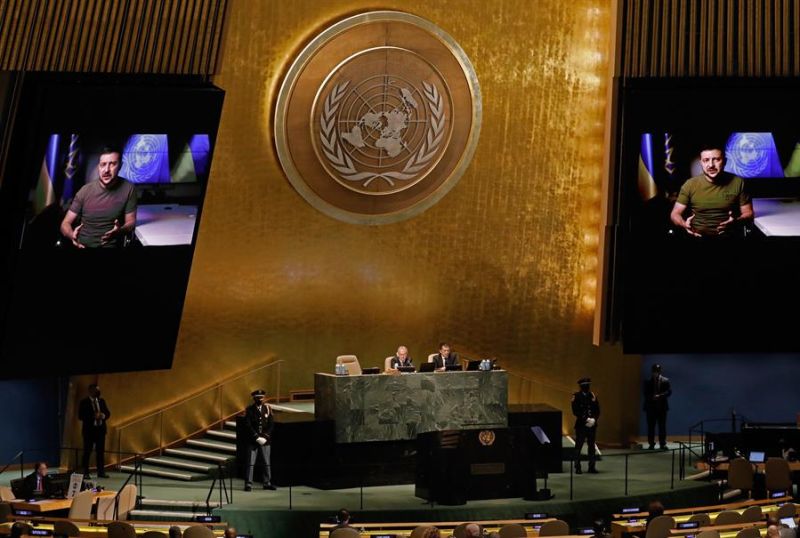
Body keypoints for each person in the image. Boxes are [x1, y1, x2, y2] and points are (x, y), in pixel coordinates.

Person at [670, 143, 754, 239]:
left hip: (729, 237)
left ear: (725, 161)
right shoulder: (690, 184)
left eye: (717, 159)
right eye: (706, 160)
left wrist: (736, 222)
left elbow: (749, 213)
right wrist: (684, 224)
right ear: (701, 162)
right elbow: (675, 214)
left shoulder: (738, 182)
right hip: (697, 237)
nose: (711, 165)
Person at [60, 146, 138, 248]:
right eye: (103, 164)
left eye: (113, 164)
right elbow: (65, 223)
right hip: (82, 246)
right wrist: (72, 236)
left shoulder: (129, 188)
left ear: (120, 166)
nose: (106, 170)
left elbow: (131, 222)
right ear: (98, 167)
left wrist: (120, 231)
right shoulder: (85, 190)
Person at [244, 389, 276, 491]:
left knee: (266, 462)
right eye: (258, 398)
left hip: (265, 440)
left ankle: (267, 482)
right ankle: (248, 484)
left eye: (262, 398)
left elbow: (271, 424)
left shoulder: (267, 408)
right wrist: (256, 437)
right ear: (254, 399)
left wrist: (265, 437)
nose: (260, 400)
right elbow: (248, 425)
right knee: (251, 463)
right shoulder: (249, 410)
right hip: (253, 440)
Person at [78, 383, 110, 478]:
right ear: (91, 391)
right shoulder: (84, 402)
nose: (98, 392)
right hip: (89, 432)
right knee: (87, 452)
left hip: (100, 431)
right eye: (96, 390)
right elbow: (80, 416)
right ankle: (85, 473)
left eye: (98, 390)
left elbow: (108, 413)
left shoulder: (101, 401)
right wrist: (93, 417)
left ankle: (101, 472)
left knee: (100, 452)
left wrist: (103, 416)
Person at [572, 377, 600, 474]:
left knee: (591, 446)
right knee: (578, 446)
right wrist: (586, 419)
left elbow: (597, 410)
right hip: (581, 425)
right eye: (585, 385)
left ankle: (591, 466)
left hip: (592, 425)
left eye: (588, 385)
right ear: (581, 386)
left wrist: (594, 419)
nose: (587, 387)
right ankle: (577, 466)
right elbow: (575, 411)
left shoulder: (592, 395)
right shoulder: (576, 396)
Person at [643, 364, 672, 450]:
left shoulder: (665, 380)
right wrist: (652, 397)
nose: (655, 373)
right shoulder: (647, 381)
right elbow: (645, 393)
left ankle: (662, 444)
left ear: (659, 372)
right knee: (651, 427)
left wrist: (660, 396)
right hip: (650, 408)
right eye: (654, 371)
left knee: (662, 426)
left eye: (657, 371)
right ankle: (651, 444)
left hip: (662, 408)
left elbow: (669, 392)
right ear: (652, 372)